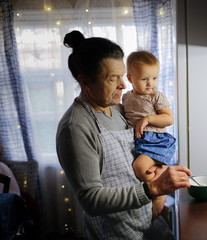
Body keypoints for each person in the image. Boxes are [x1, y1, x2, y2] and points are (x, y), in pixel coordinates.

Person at [56, 30, 191, 240]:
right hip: (117, 233)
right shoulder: (76, 128)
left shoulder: (119, 109)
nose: (124, 85)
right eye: (113, 79)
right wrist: (153, 189)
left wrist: (160, 181)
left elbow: (144, 150)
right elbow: (92, 200)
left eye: (122, 76)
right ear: (85, 83)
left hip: (149, 219)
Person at [122, 50, 176, 183]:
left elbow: (169, 118)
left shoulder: (156, 96)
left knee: (140, 167)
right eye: (144, 79)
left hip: (156, 141)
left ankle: (159, 191)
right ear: (130, 79)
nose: (150, 83)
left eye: (154, 78)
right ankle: (160, 176)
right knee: (138, 170)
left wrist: (148, 119)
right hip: (137, 141)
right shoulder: (126, 97)